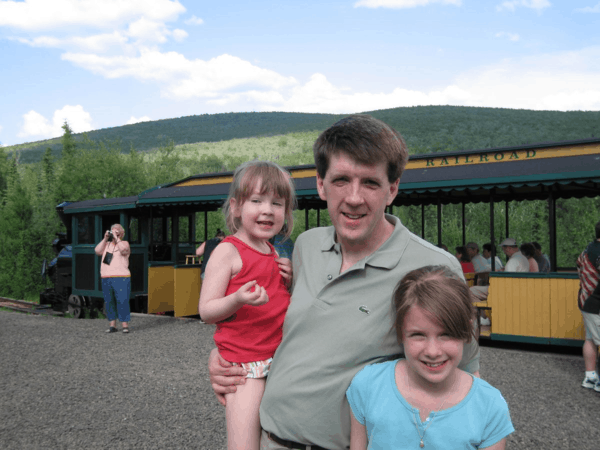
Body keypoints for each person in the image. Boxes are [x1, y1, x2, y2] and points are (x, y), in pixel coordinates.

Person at [209, 115, 481, 450]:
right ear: (321, 185)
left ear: (392, 189)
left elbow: (466, 379)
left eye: (370, 182)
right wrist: (225, 359)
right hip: (269, 440)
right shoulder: (306, 247)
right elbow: (287, 329)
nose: (353, 197)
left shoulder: (434, 266)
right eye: (341, 180)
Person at [347, 266, 514, 449]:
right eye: (418, 334)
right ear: (400, 333)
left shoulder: (490, 406)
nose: (433, 351)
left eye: (446, 334)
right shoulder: (368, 386)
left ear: (467, 331)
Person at [199, 160, 296, 450]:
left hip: (280, 360)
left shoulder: (274, 252)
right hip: (245, 366)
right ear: (236, 207)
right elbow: (206, 310)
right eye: (256, 200)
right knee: (244, 443)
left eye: (277, 203)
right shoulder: (228, 251)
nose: (267, 209)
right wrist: (238, 298)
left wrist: (289, 280)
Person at [94, 224, 131, 333]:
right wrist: (105, 238)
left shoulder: (124, 243)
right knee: (109, 301)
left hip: (121, 277)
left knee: (122, 301)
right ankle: (112, 325)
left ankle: (125, 325)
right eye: (113, 231)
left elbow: (123, 250)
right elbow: (97, 251)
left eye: (117, 231)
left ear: (122, 233)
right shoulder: (107, 244)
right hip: (106, 276)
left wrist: (117, 238)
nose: (114, 233)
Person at [576, 220, 600, 392]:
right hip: (597, 303)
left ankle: (590, 376)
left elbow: (579, 269)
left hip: (586, 301)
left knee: (590, 339)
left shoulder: (587, 250)